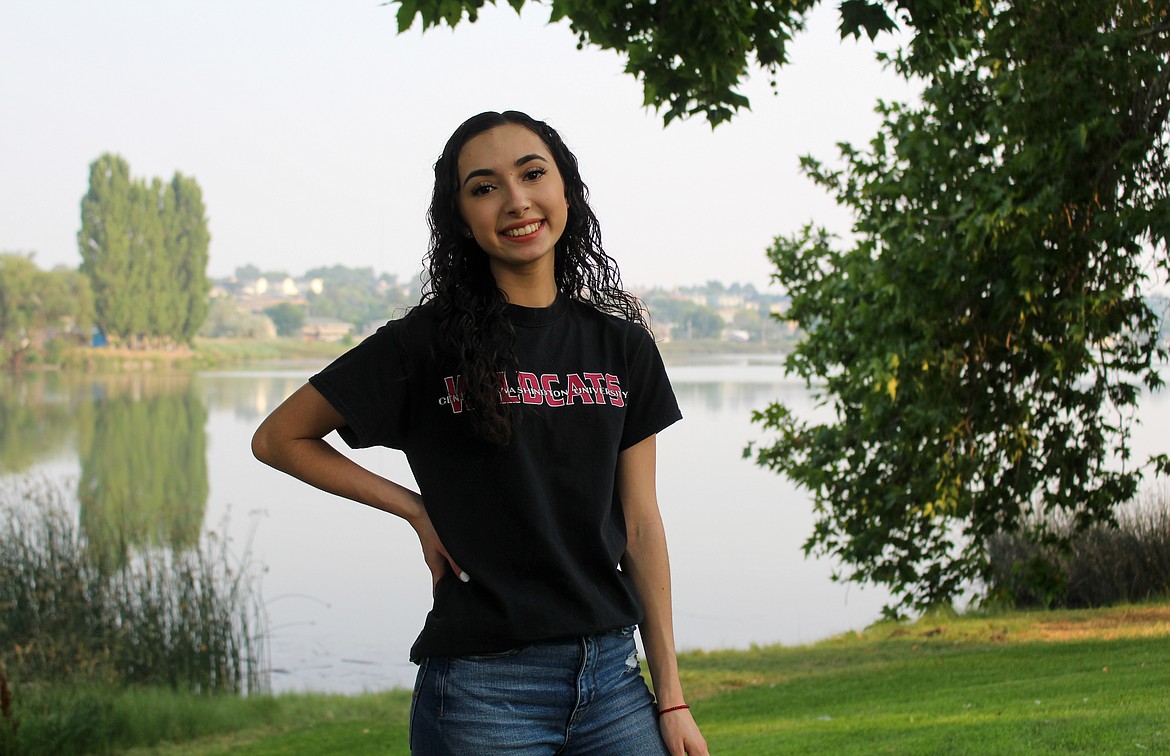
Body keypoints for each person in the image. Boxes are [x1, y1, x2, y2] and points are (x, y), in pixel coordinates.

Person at [251, 110, 708, 755]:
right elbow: (279, 438)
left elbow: (640, 526)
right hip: (484, 693)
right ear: (462, 219)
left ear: (566, 191)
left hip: (612, 677)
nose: (516, 201)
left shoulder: (622, 345)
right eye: (485, 187)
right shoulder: (427, 343)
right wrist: (416, 510)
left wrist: (673, 696)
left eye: (532, 174)